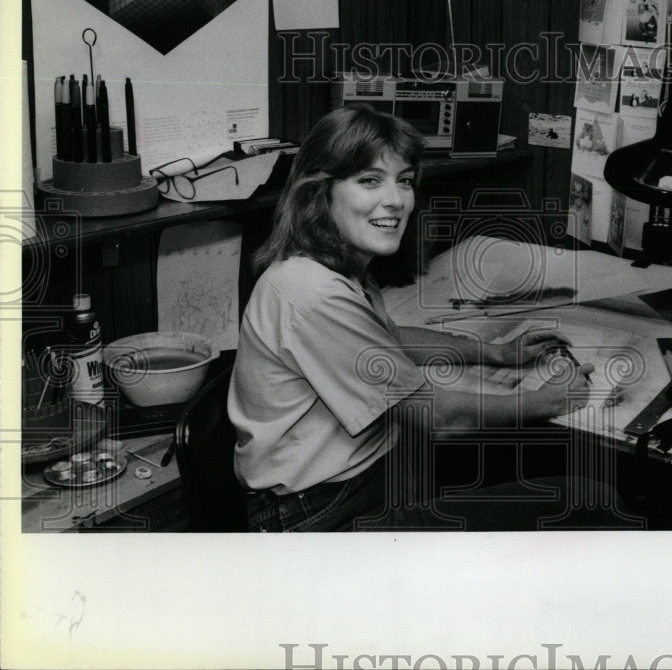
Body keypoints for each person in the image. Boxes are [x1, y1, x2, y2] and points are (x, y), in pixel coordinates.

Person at [229, 105, 626, 532]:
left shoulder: (331, 267)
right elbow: (438, 417)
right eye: (369, 181)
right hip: (320, 517)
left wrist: (494, 352)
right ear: (318, 193)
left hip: (362, 481)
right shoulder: (313, 293)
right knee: (591, 500)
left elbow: (391, 338)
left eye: (403, 181)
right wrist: (544, 401)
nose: (396, 200)